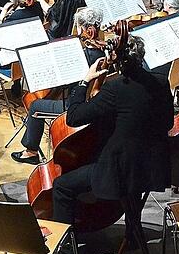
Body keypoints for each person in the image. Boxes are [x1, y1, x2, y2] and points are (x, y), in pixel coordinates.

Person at [52, 34, 172, 224]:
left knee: (61, 186)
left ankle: (65, 249)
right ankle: (132, 233)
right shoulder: (161, 82)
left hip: (122, 171)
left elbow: (74, 117)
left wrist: (85, 82)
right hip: (151, 167)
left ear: (117, 59)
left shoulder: (116, 89)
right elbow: (168, 124)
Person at [11, 7, 106, 165]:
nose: (76, 31)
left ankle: (31, 152)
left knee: (35, 105)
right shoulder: (104, 53)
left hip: (75, 106)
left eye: (79, 27)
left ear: (89, 31)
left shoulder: (81, 57)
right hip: (94, 103)